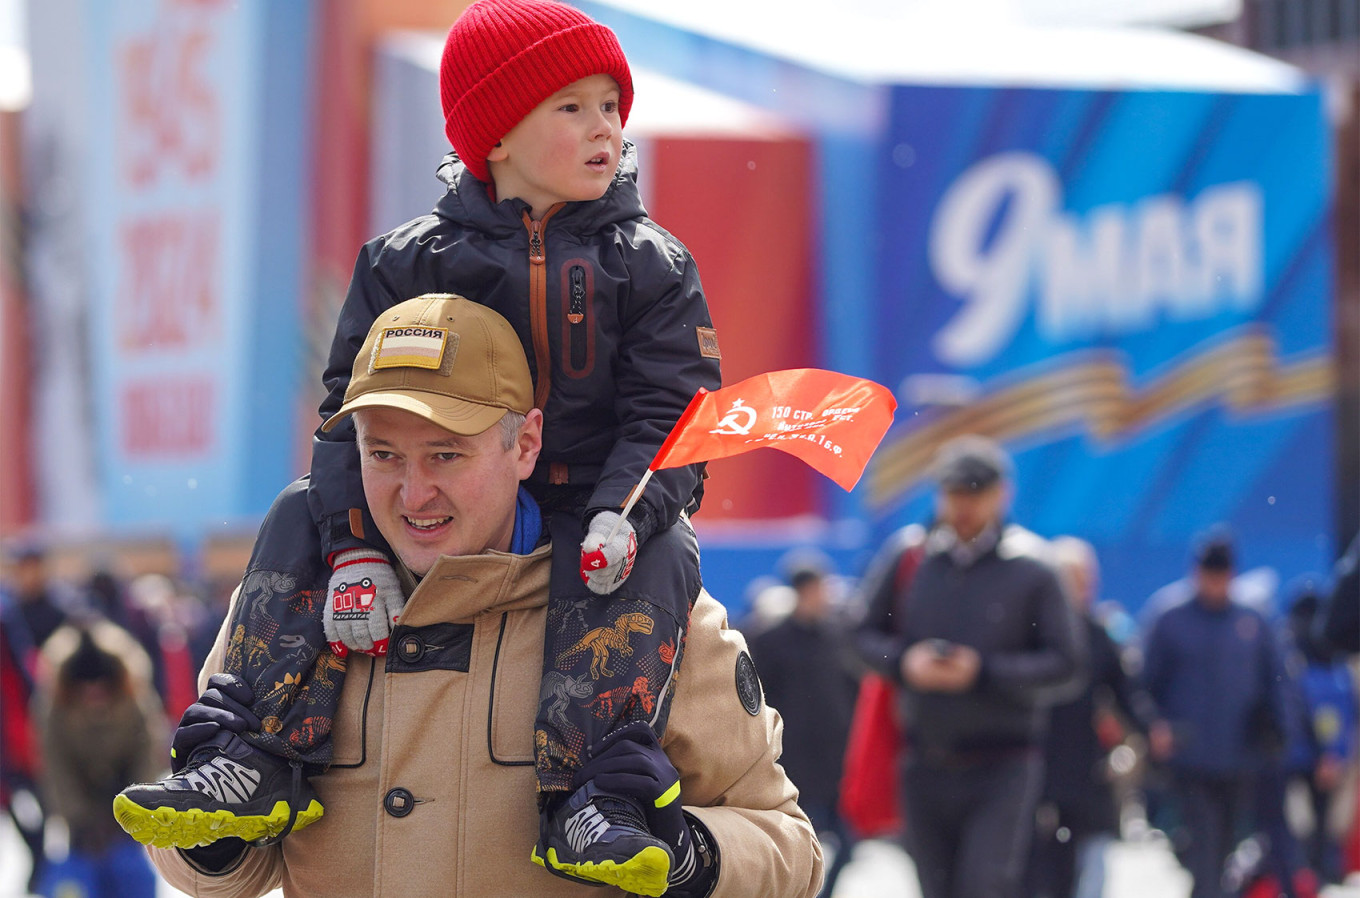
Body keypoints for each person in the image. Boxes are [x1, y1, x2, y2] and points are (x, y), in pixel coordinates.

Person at [116, 1, 722, 893]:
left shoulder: (653, 263)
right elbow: (345, 416)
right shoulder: (408, 259)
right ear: (496, 135)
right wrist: (356, 545)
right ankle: (247, 755)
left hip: (595, 519)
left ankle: (596, 798)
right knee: (297, 509)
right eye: (573, 108)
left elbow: (674, 414)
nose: (607, 130)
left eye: (612, 108)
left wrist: (624, 512)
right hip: (450, 508)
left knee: (662, 557)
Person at [128, 296, 821, 897]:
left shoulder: (641, 611)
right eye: (383, 455)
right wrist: (209, 839)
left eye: (445, 454)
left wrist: (685, 852)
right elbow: (216, 877)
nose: (413, 492)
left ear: (525, 445)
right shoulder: (290, 604)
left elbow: (790, 849)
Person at [853, 434, 1085, 898]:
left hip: (1004, 763)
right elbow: (854, 635)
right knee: (934, 888)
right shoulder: (910, 558)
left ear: (1002, 493)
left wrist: (983, 672)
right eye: (954, 492)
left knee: (985, 885)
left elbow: (1067, 665)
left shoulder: (1034, 567)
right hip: (923, 759)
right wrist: (905, 664)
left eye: (975, 492)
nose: (963, 505)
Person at [1142, 529, 1288, 898]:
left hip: (1240, 753)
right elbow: (1144, 684)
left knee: (1226, 844)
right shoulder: (1170, 617)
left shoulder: (1252, 621)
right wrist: (1153, 728)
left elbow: (1275, 681)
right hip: (1187, 754)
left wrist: (1278, 731)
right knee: (1201, 841)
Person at [1024, 537, 1157, 898]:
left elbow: (1126, 692)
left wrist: (1152, 730)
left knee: (1073, 866)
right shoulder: (1029, 633)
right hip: (1029, 764)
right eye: (1073, 578)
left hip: (1079, 768)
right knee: (1029, 868)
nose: (1082, 587)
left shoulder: (1098, 636)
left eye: (1086, 578)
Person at [747, 550, 861, 898]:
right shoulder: (770, 640)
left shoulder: (839, 636)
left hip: (838, 760)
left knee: (849, 843)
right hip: (794, 761)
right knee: (801, 843)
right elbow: (756, 698)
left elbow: (854, 690)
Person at [33, 620, 165, 898]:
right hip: (81, 815)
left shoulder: (136, 701)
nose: (95, 696)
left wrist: (134, 809)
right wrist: (80, 819)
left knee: (130, 876)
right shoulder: (53, 710)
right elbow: (56, 768)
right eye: (86, 690)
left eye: (102, 689)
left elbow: (146, 755)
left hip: (125, 804)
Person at [1, 539, 69, 893]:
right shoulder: (9, 610)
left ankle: (50, 861)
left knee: (51, 796)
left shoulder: (61, 610)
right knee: (15, 795)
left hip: (49, 720)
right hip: (13, 723)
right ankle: (39, 857)